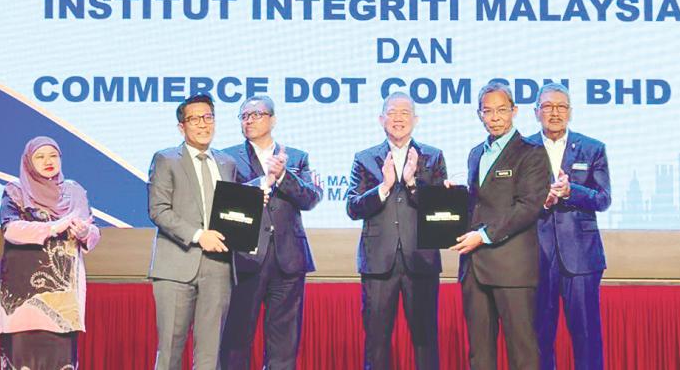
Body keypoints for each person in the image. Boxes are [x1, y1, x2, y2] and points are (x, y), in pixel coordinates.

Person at [450, 81, 550, 370]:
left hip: (512, 268)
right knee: (479, 355)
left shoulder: (531, 153)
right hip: (474, 268)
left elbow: (528, 207)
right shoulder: (475, 154)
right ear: (479, 114)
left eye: (501, 110)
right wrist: (450, 197)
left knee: (522, 351)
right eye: (488, 111)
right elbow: (477, 204)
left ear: (514, 111)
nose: (494, 117)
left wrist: (483, 236)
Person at [345, 92, 449, 369]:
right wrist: (384, 187)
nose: (398, 118)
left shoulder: (433, 156)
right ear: (381, 119)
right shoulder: (365, 158)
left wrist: (413, 183)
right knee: (376, 342)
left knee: (425, 339)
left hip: (421, 259)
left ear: (415, 119)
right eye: (392, 112)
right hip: (378, 263)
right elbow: (353, 207)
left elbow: (439, 211)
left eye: (405, 113)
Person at [219, 95, 323, 369]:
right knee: (236, 340)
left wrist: (285, 177)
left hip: (288, 260)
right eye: (244, 116)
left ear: (273, 120)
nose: (249, 120)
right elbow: (224, 201)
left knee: (284, 343)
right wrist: (262, 183)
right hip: (245, 258)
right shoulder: (226, 157)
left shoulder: (297, 158)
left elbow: (310, 198)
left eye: (256, 114)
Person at [147, 92, 239, 370]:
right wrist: (200, 236)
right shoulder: (165, 159)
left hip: (218, 267)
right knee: (171, 351)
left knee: (211, 354)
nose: (203, 124)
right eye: (195, 119)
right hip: (176, 266)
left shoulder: (227, 163)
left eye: (208, 117)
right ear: (181, 126)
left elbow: (231, 213)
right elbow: (158, 210)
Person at [0, 136, 100, 370]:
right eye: (40, 156)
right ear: (28, 161)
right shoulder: (16, 191)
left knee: (61, 362)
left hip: (63, 295)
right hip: (23, 293)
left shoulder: (74, 192)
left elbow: (93, 236)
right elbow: (11, 230)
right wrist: (54, 226)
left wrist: (84, 231)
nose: (48, 161)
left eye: (53, 155)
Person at [529, 83, 611, 370]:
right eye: (548, 106)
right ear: (536, 112)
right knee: (539, 337)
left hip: (582, 258)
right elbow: (514, 202)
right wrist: (543, 200)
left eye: (561, 106)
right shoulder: (521, 149)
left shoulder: (592, 149)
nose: (555, 112)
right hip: (536, 256)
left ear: (570, 112)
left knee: (587, 336)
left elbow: (603, 199)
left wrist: (570, 191)